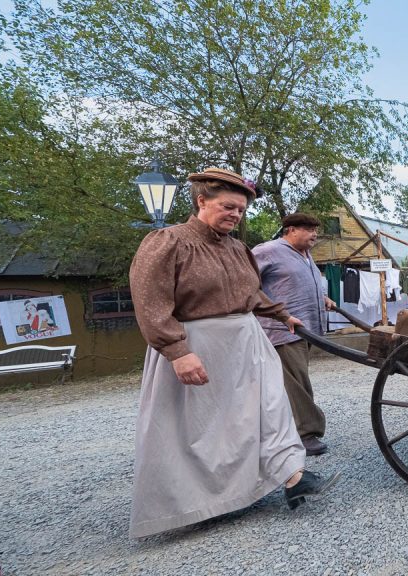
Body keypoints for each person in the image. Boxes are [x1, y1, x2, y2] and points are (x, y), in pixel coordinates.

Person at [128, 167, 338, 538]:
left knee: (269, 406)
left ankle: (292, 476)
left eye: (240, 210)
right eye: (228, 207)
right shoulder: (167, 242)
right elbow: (151, 303)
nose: (235, 215)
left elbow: (251, 292)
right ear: (201, 201)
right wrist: (177, 351)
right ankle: (198, 503)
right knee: (205, 429)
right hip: (198, 343)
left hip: (245, 339)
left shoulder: (238, 248)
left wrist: (280, 313)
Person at [253, 213, 335, 457]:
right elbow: (246, 284)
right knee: (297, 383)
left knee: (293, 380)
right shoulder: (268, 251)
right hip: (282, 330)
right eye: (308, 229)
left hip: (305, 329)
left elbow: (298, 282)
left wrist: (322, 298)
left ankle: (285, 430)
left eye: (315, 230)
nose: (314, 234)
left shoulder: (305, 254)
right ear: (290, 230)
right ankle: (306, 433)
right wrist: (275, 312)